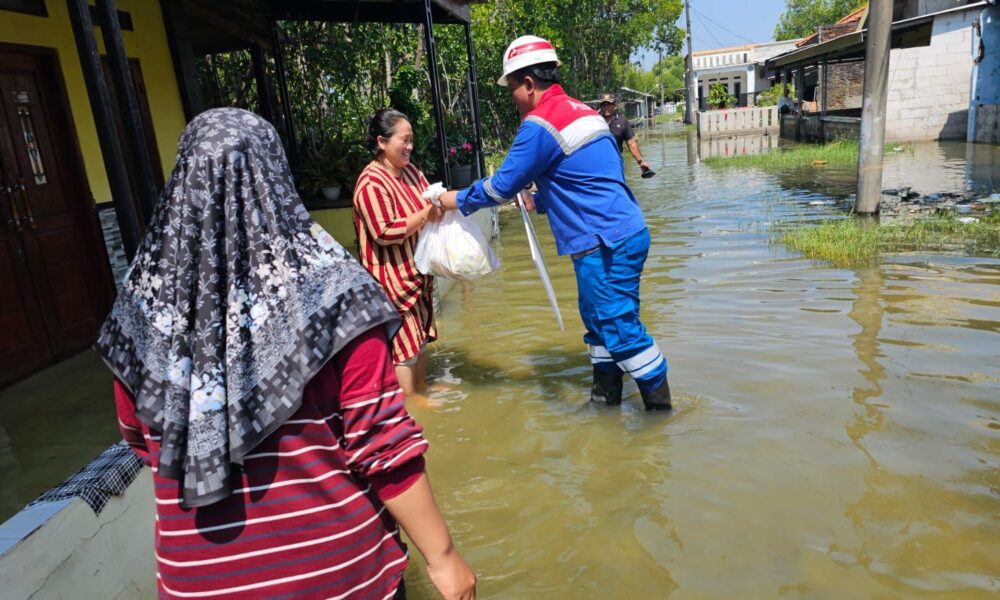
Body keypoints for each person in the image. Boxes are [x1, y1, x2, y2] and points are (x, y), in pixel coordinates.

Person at [95, 108, 475, 600]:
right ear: (276, 179)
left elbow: (141, 440)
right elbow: (382, 445)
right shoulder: (333, 295)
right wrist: (442, 558)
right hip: (336, 574)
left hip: (194, 581)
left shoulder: (144, 313)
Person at [425, 35, 671, 411]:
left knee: (622, 332)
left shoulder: (540, 124)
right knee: (602, 325)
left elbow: (500, 187)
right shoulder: (585, 112)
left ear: (528, 84)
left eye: (512, 90)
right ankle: (605, 404)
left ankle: (660, 419)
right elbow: (591, 180)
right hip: (624, 232)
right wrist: (539, 201)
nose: (513, 100)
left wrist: (452, 199)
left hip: (603, 242)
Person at [353, 109, 444, 396]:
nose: (410, 147)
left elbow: (430, 197)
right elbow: (384, 232)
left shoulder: (411, 172)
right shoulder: (371, 183)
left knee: (419, 339)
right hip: (391, 280)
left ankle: (422, 389)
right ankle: (412, 403)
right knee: (404, 346)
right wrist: (425, 216)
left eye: (411, 140)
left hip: (416, 272)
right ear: (381, 142)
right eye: (404, 141)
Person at [598, 92, 652, 174]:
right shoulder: (594, 121)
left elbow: (632, 143)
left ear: (615, 106)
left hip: (615, 162)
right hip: (597, 163)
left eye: (609, 104)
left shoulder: (623, 122)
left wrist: (641, 162)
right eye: (603, 105)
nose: (606, 107)